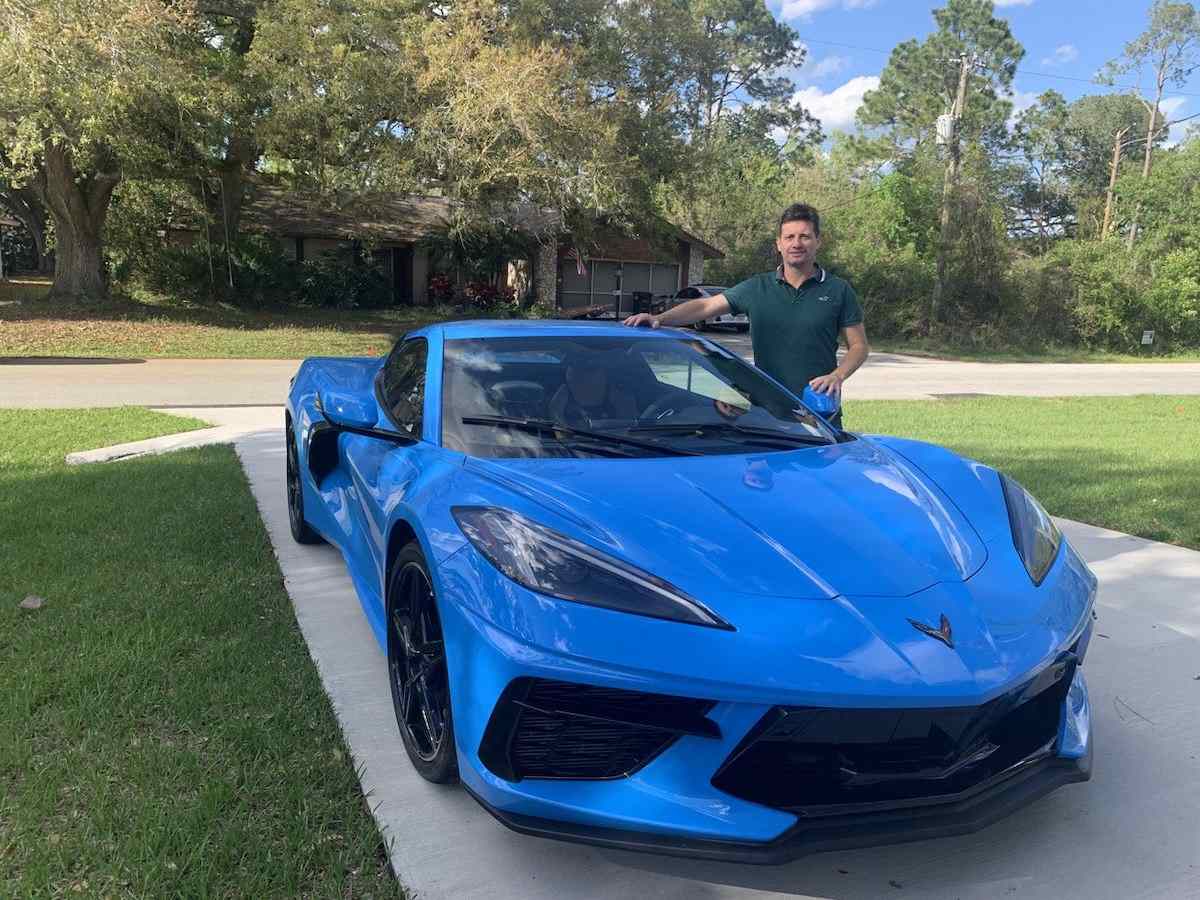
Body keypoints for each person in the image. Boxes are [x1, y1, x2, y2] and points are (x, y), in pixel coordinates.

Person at [623, 203, 869, 427]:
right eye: (789, 237)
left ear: (818, 241)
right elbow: (705, 307)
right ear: (779, 243)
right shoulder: (757, 288)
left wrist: (837, 376)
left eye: (804, 236)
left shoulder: (838, 290)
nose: (796, 243)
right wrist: (660, 318)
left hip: (819, 414)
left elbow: (859, 346)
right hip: (766, 415)